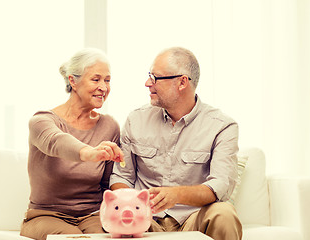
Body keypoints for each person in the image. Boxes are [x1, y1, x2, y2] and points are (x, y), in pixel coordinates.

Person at [110, 47, 242, 240]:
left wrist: (176, 195)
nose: (148, 83)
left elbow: (220, 186)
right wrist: (134, 206)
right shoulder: (136, 120)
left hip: (193, 217)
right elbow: (121, 177)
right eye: (149, 76)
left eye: (155, 78)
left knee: (225, 213)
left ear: (182, 82)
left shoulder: (223, 126)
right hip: (145, 220)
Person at [20, 48, 124, 240]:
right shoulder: (42, 121)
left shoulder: (109, 126)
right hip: (46, 215)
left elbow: (107, 183)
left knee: (113, 237)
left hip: (92, 215)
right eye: (96, 79)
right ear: (73, 81)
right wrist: (89, 153)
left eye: (107, 80)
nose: (104, 87)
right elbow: (56, 141)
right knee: (73, 238)